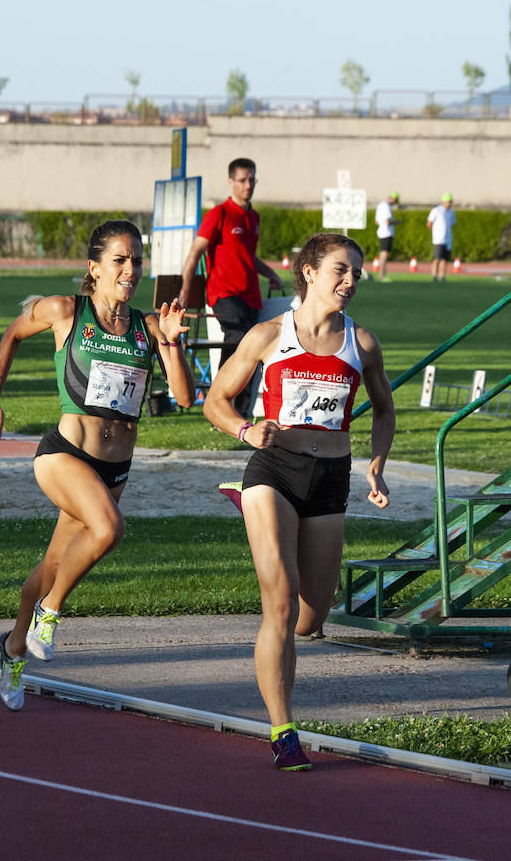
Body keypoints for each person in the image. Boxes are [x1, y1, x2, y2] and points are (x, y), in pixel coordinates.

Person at [203, 232, 395, 770]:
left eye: (356, 272)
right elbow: (215, 401)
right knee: (280, 604)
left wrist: (376, 464)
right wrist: (245, 430)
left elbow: (383, 411)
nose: (350, 281)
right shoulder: (268, 336)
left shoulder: (365, 344)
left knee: (311, 617)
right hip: (274, 470)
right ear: (308, 271)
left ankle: (257, 515)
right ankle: (284, 731)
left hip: (330, 479)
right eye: (340, 270)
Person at [0, 220, 193, 711]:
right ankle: (49, 614)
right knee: (108, 529)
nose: (130, 270)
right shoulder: (65, 311)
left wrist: (173, 342)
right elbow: (12, 334)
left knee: (57, 562)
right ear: (94, 269)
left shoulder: (149, 326)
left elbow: (182, 397)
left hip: (114, 471)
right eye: (119, 260)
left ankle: (12, 647)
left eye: (136, 261)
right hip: (63, 455)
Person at [178, 157, 285, 416]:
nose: (248, 185)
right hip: (224, 293)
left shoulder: (253, 217)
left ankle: (242, 411)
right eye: (243, 180)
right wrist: (184, 292)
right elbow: (196, 252)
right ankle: (219, 404)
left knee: (253, 348)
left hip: (251, 295)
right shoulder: (219, 214)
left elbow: (246, 255)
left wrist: (270, 273)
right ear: (231, 182)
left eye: (252, 180)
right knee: (238, 340)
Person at [426, 193, 456, 281]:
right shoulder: (436, 210)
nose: (450, 203)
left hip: (448, 239)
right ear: (444, 202)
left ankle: (441, 276)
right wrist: (436, 232)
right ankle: (434, 275)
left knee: (445, 259)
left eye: (451, 202)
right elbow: (429, 224)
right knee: (437, 258)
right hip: (439, 239)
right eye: (448, 202)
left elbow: (452, 224)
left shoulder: (451, 212)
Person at [374, 191, 399, 280]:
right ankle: (382, 275)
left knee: (382, 253)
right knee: (384, 254)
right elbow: (387, 222)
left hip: (381, 232)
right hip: (386, 233)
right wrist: (397, 222)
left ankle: (382, 274)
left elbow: (376, 222)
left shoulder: (380, 205)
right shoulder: (386, 206)